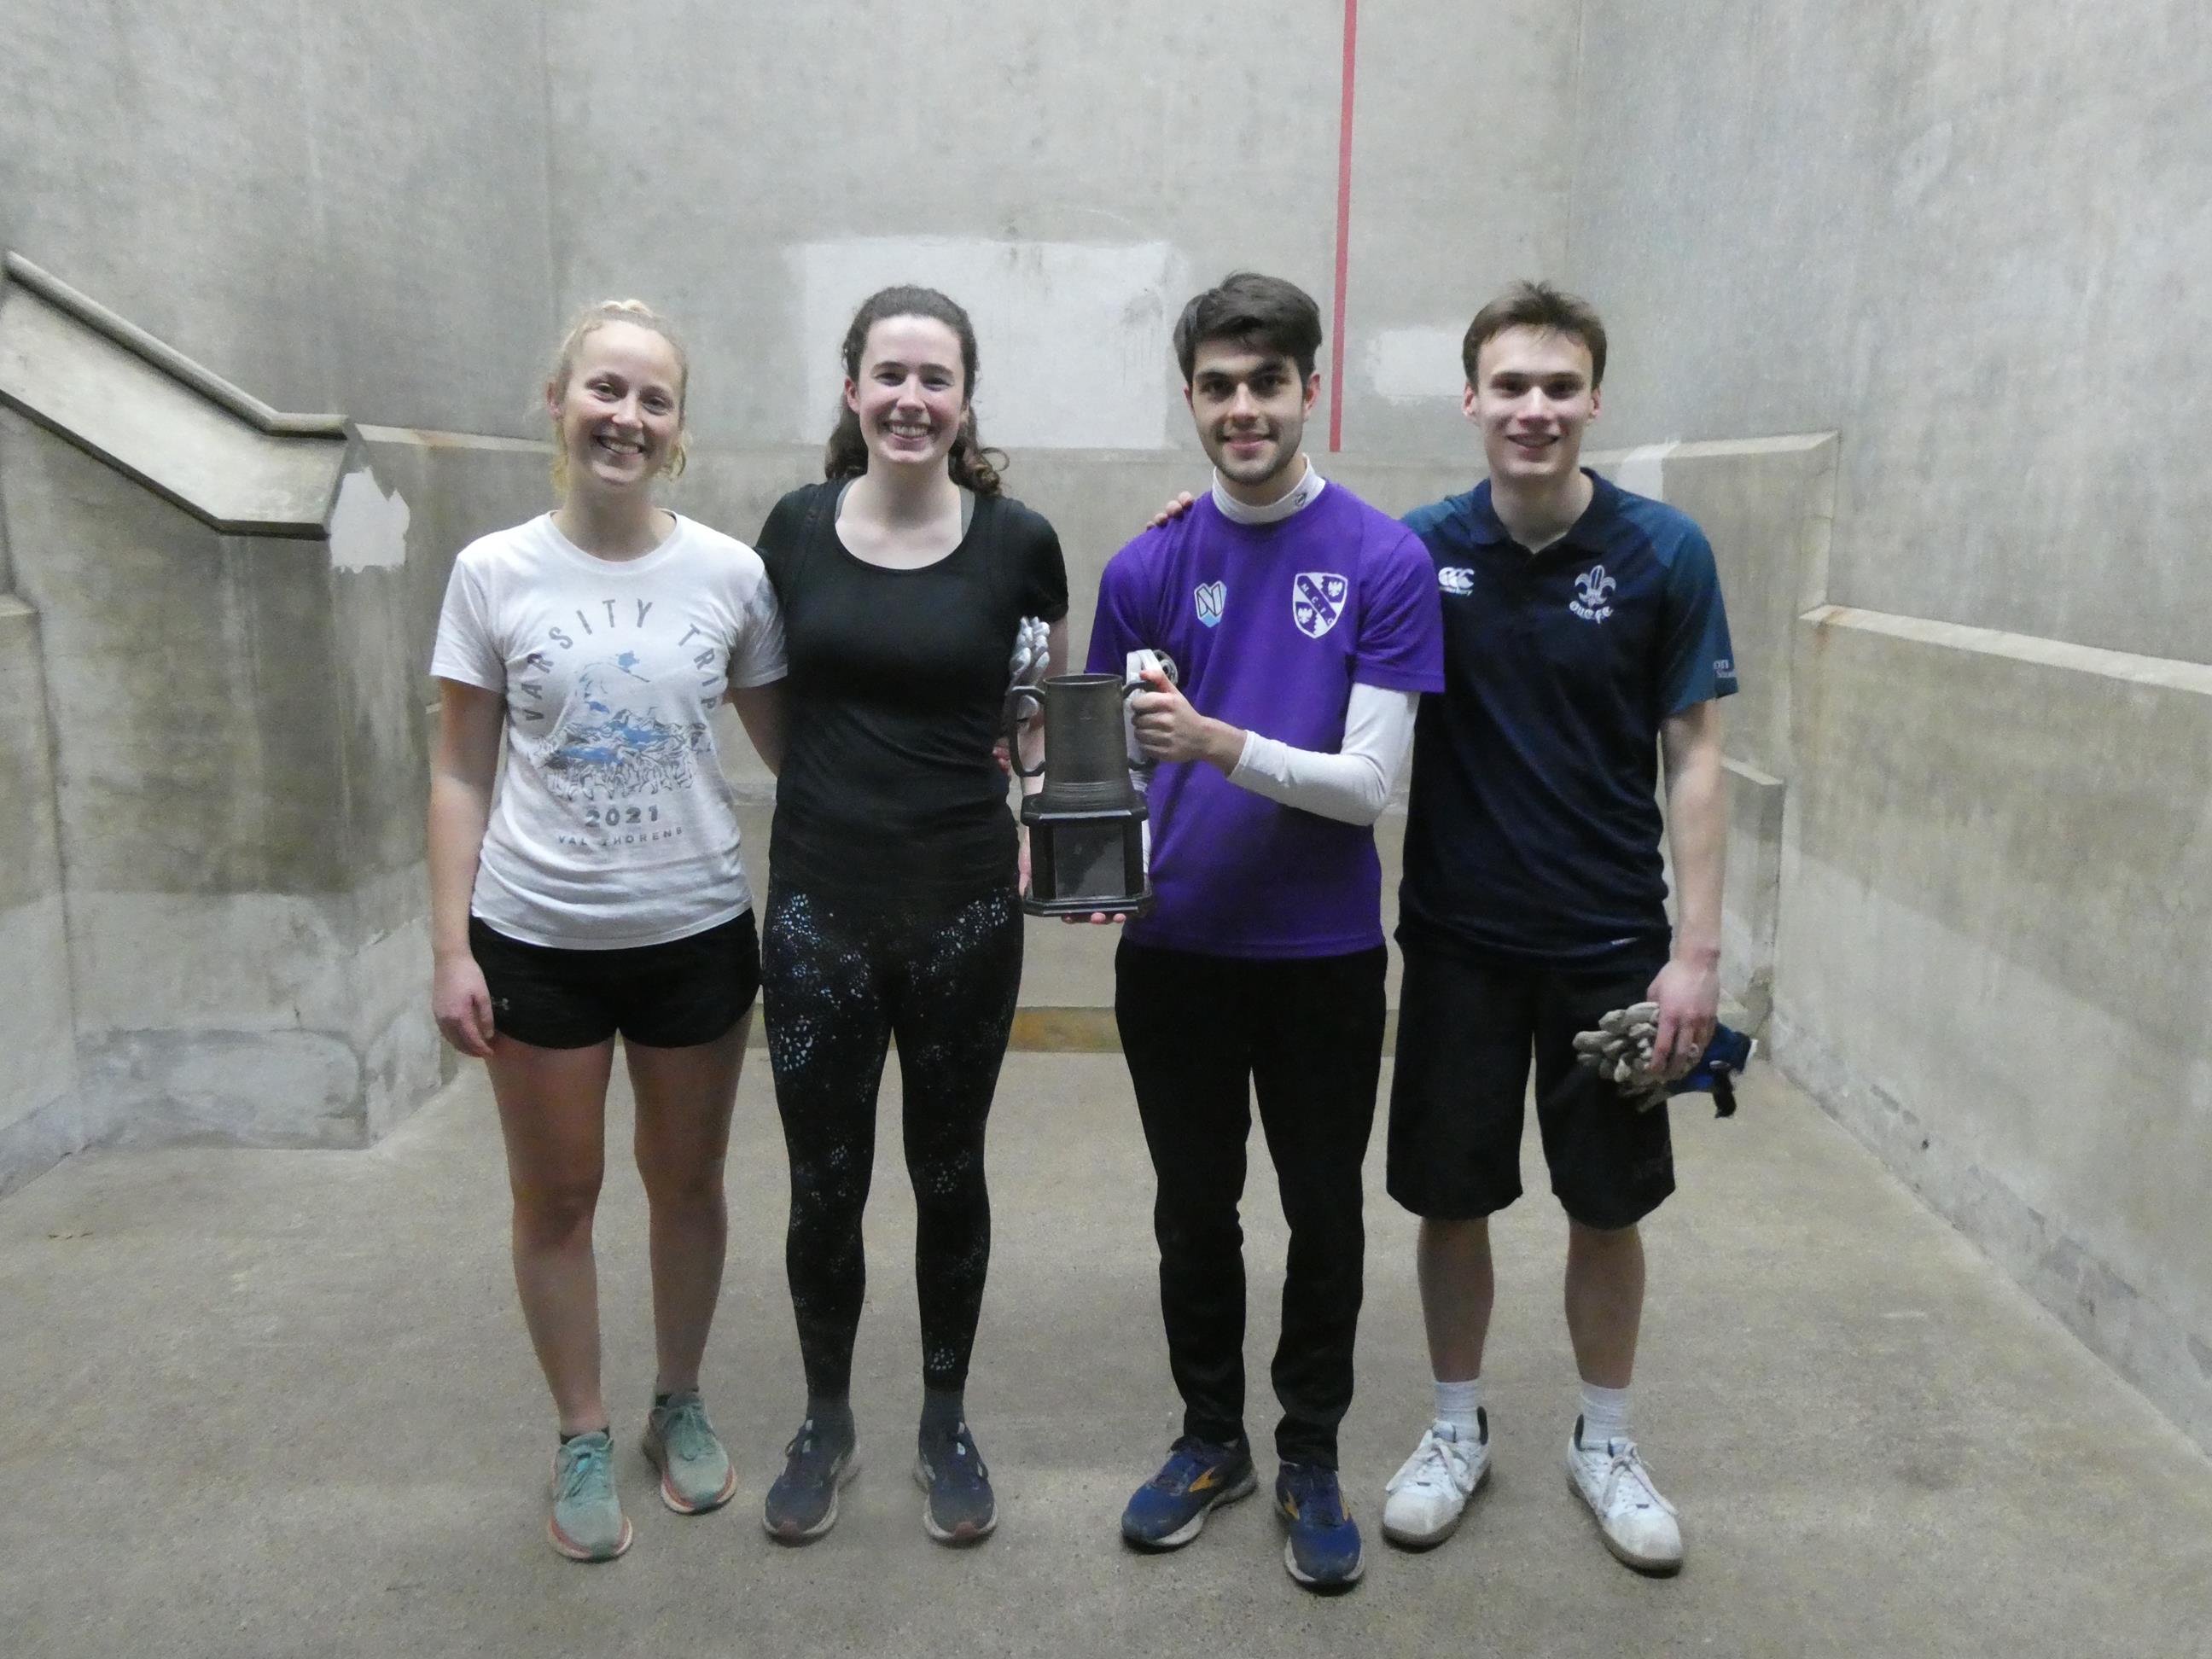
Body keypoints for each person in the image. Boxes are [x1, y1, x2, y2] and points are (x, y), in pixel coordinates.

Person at [1086, 272, 1445, 1592]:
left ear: (1310, 391)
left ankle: (1309, 1452)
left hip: (1323, 964)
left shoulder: (1385, 562)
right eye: (1219, 386)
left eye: (1268, 383)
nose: (1245, 409)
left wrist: (1218, 743)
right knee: (1194, 1212)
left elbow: (1372, 791)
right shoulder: (1145, 565)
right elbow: (1110, 773)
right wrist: (1082, 844)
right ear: (1191, 398)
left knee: (1322, 1216)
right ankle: (1208, 1439)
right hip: (1173, 958)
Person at [1377, 281, 1736, 1575]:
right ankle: (1456, 1429)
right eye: (1512, 386)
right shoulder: (1412, 551)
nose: (1536, 409)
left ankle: (1607, 1440)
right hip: (1459, 942)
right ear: (1471, 400)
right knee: (1451, 1198)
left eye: (1560, 386)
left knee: (1607, 1207)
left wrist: (1693, 954)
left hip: (1606, 951)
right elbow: (1289, 597)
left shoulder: (1664, 554)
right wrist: (1193, 530)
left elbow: (1695, 758)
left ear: (1593, 399)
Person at [427, 300, 789, 1563]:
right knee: (558, 1196)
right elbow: (460, 769)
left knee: (686, 1184)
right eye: (606, 392)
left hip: (694, 932)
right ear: (559, 401)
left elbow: (799, 749)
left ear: (678, 429)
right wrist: (452, 947)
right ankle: (582, 1432)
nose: (626, 418)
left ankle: (675, 1403)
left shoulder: (733, 576)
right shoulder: (494, 572)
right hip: (535, 938)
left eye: (653, 399)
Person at [750, 285, 1069, 1547]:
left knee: (950, 1173)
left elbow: (1033, 709)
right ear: (851, 390)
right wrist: (839, 806)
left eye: (936, 378)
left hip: (964, 913)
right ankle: (827, 1420)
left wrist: (1043, 817)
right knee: (824, 1184)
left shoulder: (1020, 541)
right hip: (821, 910)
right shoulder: (789, 530)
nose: (911, 399)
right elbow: (769, 702)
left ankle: (945, 1419)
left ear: (965, 400)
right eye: (889, 374)